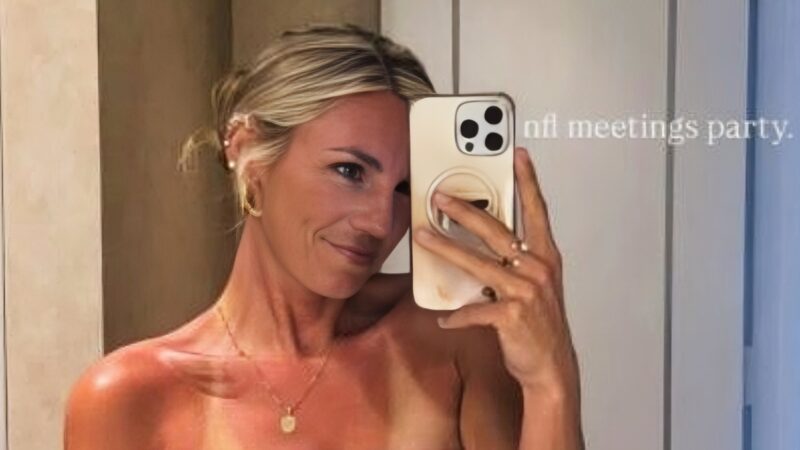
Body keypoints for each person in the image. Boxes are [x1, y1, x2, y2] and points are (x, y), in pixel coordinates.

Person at [64, 23, 584, 450]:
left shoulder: (455, 336)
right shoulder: (128, 398)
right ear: (248, 154)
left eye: (405, 188)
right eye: (350, 172)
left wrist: (551, 382)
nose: (380, 222)